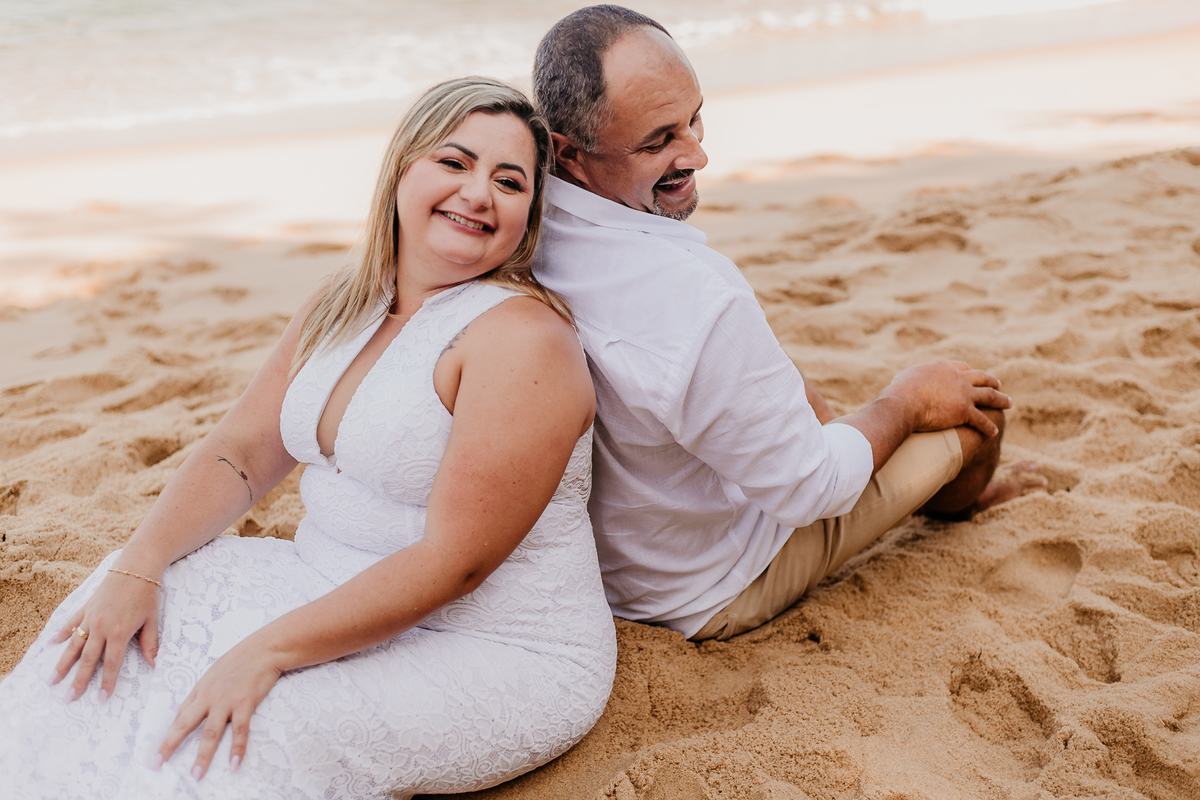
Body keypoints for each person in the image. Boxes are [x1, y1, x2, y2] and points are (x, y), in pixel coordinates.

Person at [0, 77, 616, 799]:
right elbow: (241, 452)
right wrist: (138, 565)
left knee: (250, 726)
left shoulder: (522, 338)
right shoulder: (344, 301)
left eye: (509, 182)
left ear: (528, 216)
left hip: (494, 646)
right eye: (454, 162)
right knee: (112, 616)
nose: (478, 194)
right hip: (319, 580)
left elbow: (457, 563)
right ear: (401, 171)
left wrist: (265, 651)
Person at [531, 6, 1043, 642]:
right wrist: (904, 403)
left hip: (619, 559)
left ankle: (861, 444)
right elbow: (810, 491)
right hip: (705, 587)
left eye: (694, 119)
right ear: (568, 152)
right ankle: (959, 507)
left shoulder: (520, 222)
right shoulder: (693, 295)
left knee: (796, 391)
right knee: (974, 402)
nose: (698, 154)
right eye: (658, 142)